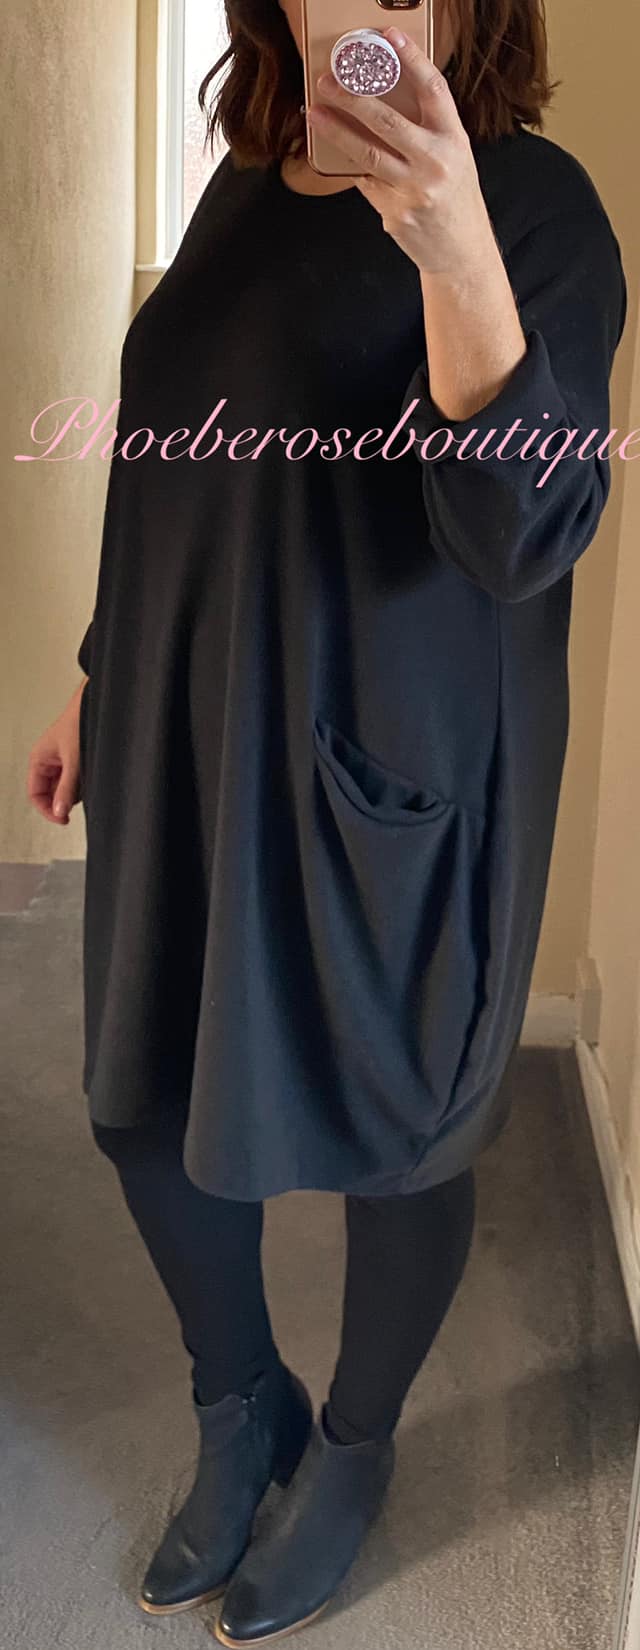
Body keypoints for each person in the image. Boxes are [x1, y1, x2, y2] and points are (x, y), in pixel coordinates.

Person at [27, 1, 627, 1643]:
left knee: (399, 1128)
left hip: (391, 770)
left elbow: (524, 531)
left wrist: (452, 244)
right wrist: (96, 669)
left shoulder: (541, 209)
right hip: (183, 728)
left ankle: (354, 1447)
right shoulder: (246, 177)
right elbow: (175, 458)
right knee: (144, 1096)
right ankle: (243, 1406)